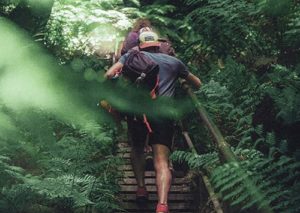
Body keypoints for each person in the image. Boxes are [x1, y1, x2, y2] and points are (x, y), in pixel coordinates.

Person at [105, 31, 201, 213]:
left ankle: (141, 188)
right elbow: (198, 83)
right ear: (159, 45)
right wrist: (180, 80)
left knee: (138, 149)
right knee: (161, 161)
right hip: (163, 116)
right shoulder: (174, 62)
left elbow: (110, 74)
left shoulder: (130, 56)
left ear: (140, 46)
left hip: (137, 113)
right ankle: (162, 204)